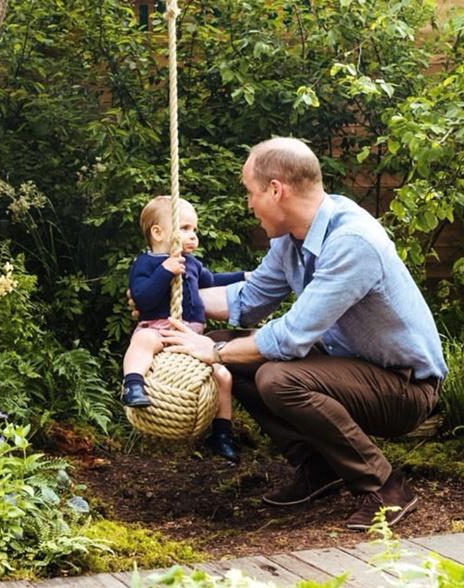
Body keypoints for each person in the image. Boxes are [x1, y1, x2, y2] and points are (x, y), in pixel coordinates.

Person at [158, 137, 448, 530]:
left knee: (275, 377)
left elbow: (292, 336)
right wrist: (163, 299)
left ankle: (385, 487)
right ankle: (319, 466)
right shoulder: (290, 239)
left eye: (251, 192)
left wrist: (214, 353)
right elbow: (251, 298)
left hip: (404, 388)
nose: (249, 204)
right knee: (231, 348)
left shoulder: (352, 241)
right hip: (348, 370)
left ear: (275, 189)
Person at [122, 195, 246, 463]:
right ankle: (132, 384)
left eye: (195, 230)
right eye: (185, 228)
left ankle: (222, 434)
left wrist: (244, 276)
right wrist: (165, 271)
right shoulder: (145, 264)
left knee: (223, 376)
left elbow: (211, 281)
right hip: (159, 330)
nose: (193, 236)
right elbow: (142, 298)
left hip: (191, 338)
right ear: (158, 232)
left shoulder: (191, 263)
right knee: (142, 339)